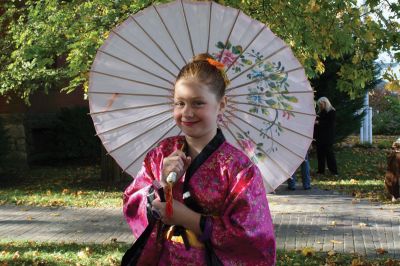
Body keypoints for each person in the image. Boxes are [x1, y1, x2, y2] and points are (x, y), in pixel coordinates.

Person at [122, 54, 276, 266]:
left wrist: (188, 218)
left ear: (221, 104)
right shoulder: (162, 153)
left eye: (198, 103)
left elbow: (253, 236)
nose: (187, 112)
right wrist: (161, 182)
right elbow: (131, 201)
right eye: (180, 103)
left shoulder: (239, 168)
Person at [314, 97, 338, 176]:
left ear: (325, 103)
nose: (320, 106)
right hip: (320, 137)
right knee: (320, 154)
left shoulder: (332, 112)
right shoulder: (320, 112)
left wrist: (319, 123)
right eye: (319, 105)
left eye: (321, 104)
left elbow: (330, 124)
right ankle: (321, 171)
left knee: (329, 154)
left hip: (328, 137)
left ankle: (334, 171)